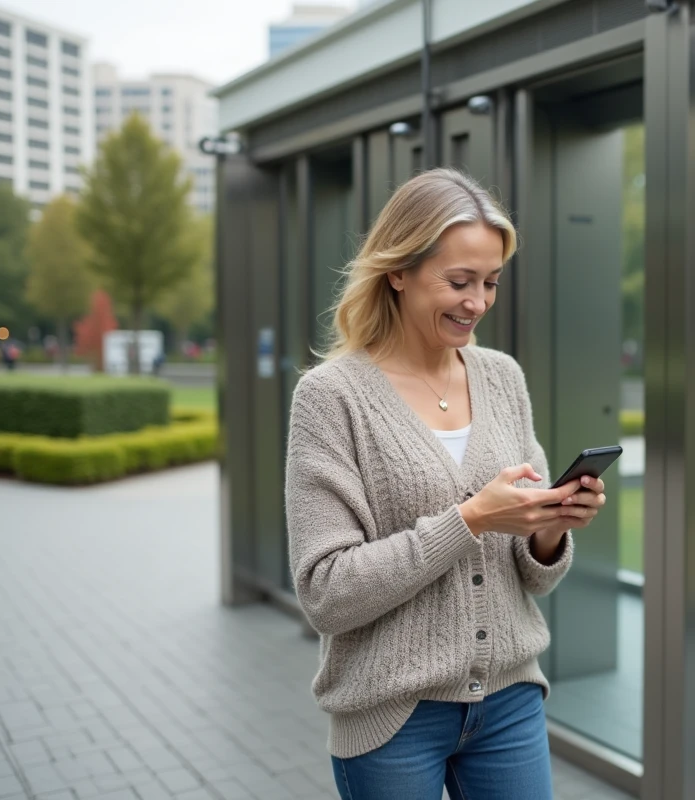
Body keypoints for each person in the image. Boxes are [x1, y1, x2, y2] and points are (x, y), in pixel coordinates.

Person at [284, 168, 606, 800]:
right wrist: (470, 520)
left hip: (510, 698)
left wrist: (547, 528)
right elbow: (324, 592)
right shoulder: (329, 398)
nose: (478, 302)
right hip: (391, 713)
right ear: (397, 271)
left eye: (490, 282)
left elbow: (535, 574)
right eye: (458, 281)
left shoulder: (501, 377)